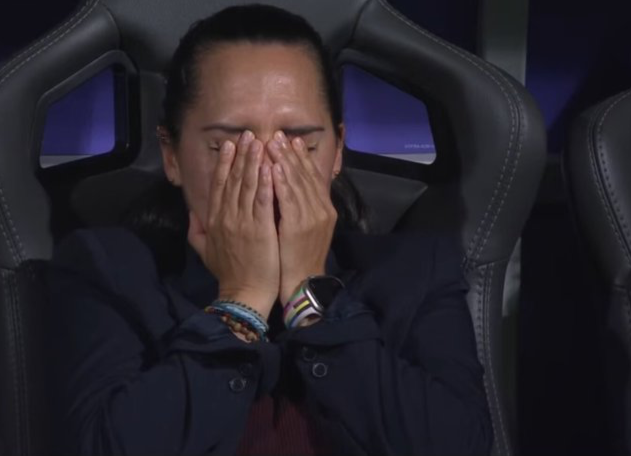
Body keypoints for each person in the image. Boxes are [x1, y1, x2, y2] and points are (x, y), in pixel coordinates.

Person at [45, 4, 492, 455]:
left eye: (300, 145)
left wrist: (309, 297)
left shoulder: (416, 273)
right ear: (172, 155)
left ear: (337, 150)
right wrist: (242, 301)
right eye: (227, 146)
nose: (265, 174)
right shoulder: (109, 271)